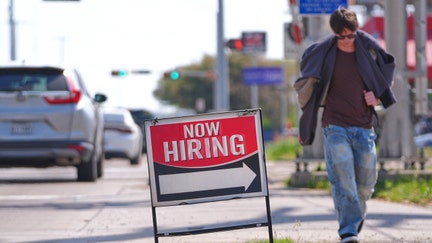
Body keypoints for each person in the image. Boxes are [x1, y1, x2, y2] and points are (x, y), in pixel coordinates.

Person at [294, 7, 397, 243]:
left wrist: (378, 96)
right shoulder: (324, 52)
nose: (347, 41)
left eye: (351, 35)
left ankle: (355, 215)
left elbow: (387, 67)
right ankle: (348, 230)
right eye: (342, 37)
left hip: (363, 126)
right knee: (343, 178)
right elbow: (307, 70)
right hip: (334, 125)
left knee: (366, 182)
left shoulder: (368, 49)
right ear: (335, 34)